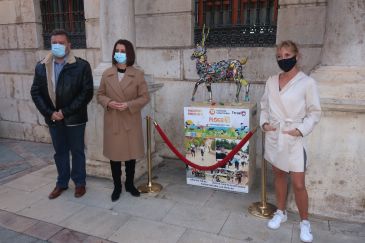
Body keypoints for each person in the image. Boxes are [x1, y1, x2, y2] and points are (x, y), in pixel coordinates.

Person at [260, 40, 321, 243]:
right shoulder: (271, 81)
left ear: (297, 56)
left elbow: (314, 112)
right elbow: (264, 106)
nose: (283, 59)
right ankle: (281, 211)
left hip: (294, 137)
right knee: (278, 175)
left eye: (287, 55)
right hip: (275, 134)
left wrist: (300, 130)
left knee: (298, 183)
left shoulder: (307, 83)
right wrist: (265, 123)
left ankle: (305, 222)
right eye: (279, 56)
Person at [30, 29, 94, 199]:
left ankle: (79, 183)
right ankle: (61, 183)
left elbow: (86, 93)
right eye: (54, 43)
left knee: (77, 151)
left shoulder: (81, 66)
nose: (57, 45)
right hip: (53, 119)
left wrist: (65, 112)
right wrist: (51, 113)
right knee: (60, 152)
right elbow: (36, 92)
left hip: (74, 118)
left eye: (61, 42)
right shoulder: (41, 66)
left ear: (69, 45)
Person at [97, 39, 150, 201]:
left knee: (130, 155)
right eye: (117, 51)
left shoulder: (138, 74)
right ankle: (117, 186)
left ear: (129, 54)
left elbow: (144, 97)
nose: (119, 54)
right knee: (115, 156)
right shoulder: (107, 74)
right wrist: (109, 102)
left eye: (123, 51)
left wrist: (128, 105)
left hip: (130, 119)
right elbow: (99, 95)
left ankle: (129, 184)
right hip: (113, 120)